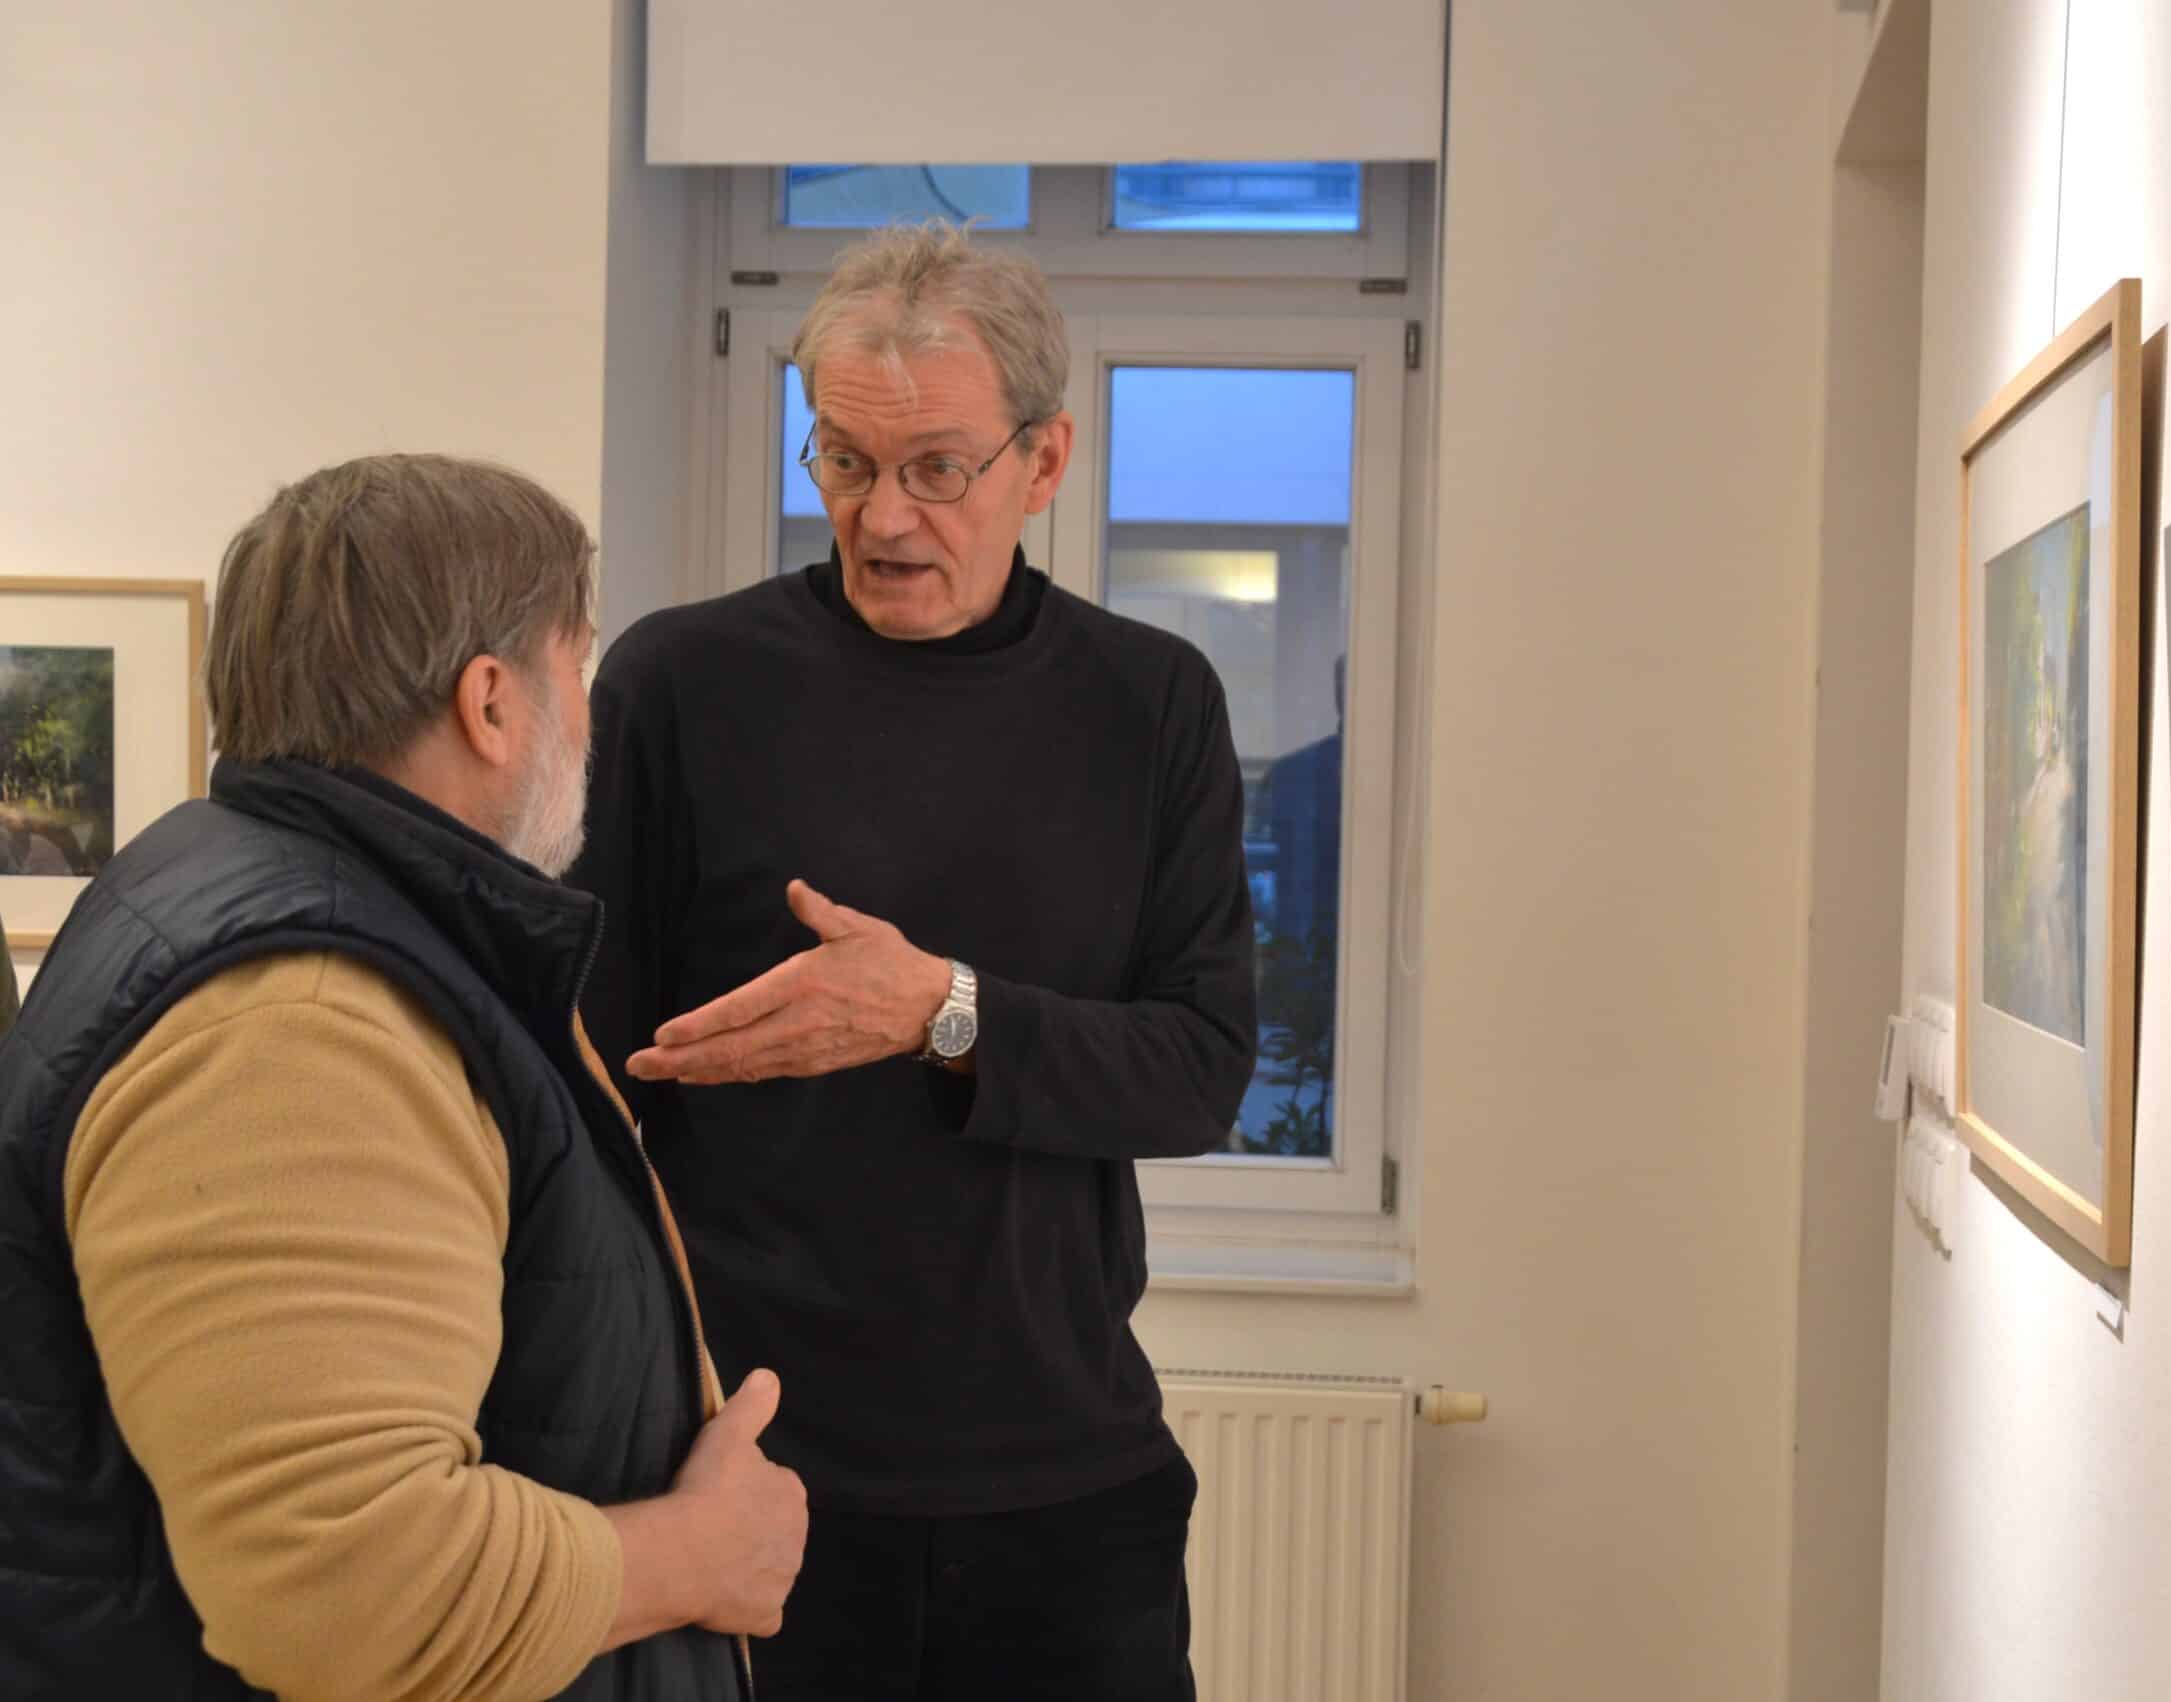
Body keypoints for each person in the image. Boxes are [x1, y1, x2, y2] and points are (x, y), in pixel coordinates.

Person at [572, 223, 1256, 1700]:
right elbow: (582, 1086)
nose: (882, 517)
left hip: (1065, 1483)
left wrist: (941, 1013)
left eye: (937, 468)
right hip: (745, 1470)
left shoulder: (1152, 704)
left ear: (1045, 461)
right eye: (844, 460)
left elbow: (1201, 1070)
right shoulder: (678, 687)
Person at [0, 455, 806, 1700]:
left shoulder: (321, 915)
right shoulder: (302, 1017)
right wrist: (701, 1557)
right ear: (491, 702)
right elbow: (346, 1587)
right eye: (575, 666)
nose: (586, 716)